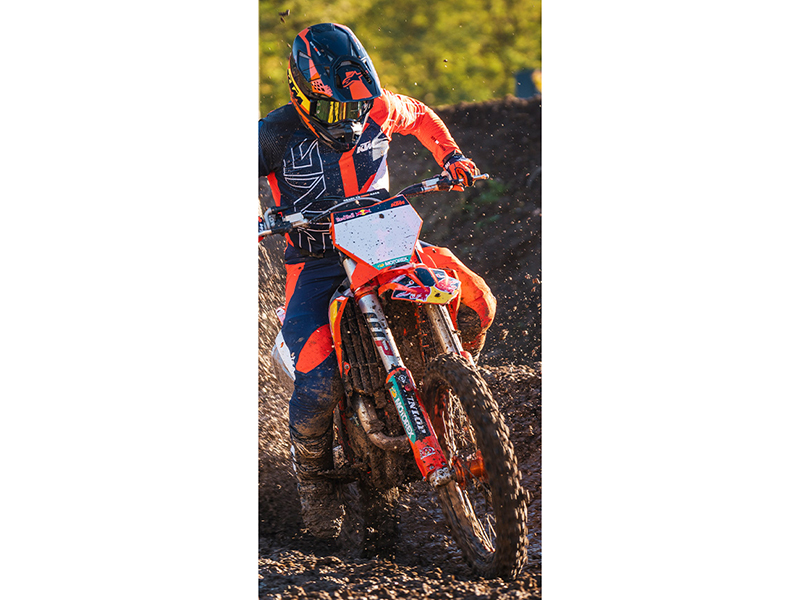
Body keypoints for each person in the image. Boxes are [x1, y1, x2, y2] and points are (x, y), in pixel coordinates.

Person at [258, 23, 496, 538]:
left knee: (480, 302)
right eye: (338, 111)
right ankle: (315, 485)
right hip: (317, 262)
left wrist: (451, 155)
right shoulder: (272, 134)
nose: (351, 119)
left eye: (360, 108)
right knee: (318, 379)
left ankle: (454, 385)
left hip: (386, 238)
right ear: (302, 95)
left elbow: (421, 116)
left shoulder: (380, 106)